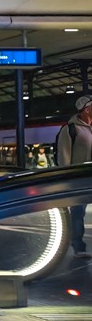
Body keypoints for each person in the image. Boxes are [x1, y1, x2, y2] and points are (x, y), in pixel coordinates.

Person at [56, 94, 92, 259]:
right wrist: (67, 178)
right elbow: (64, 157)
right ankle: (78, 246)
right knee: (78, 213)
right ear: (86, 109)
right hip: (79, 180)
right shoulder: (70, 129)